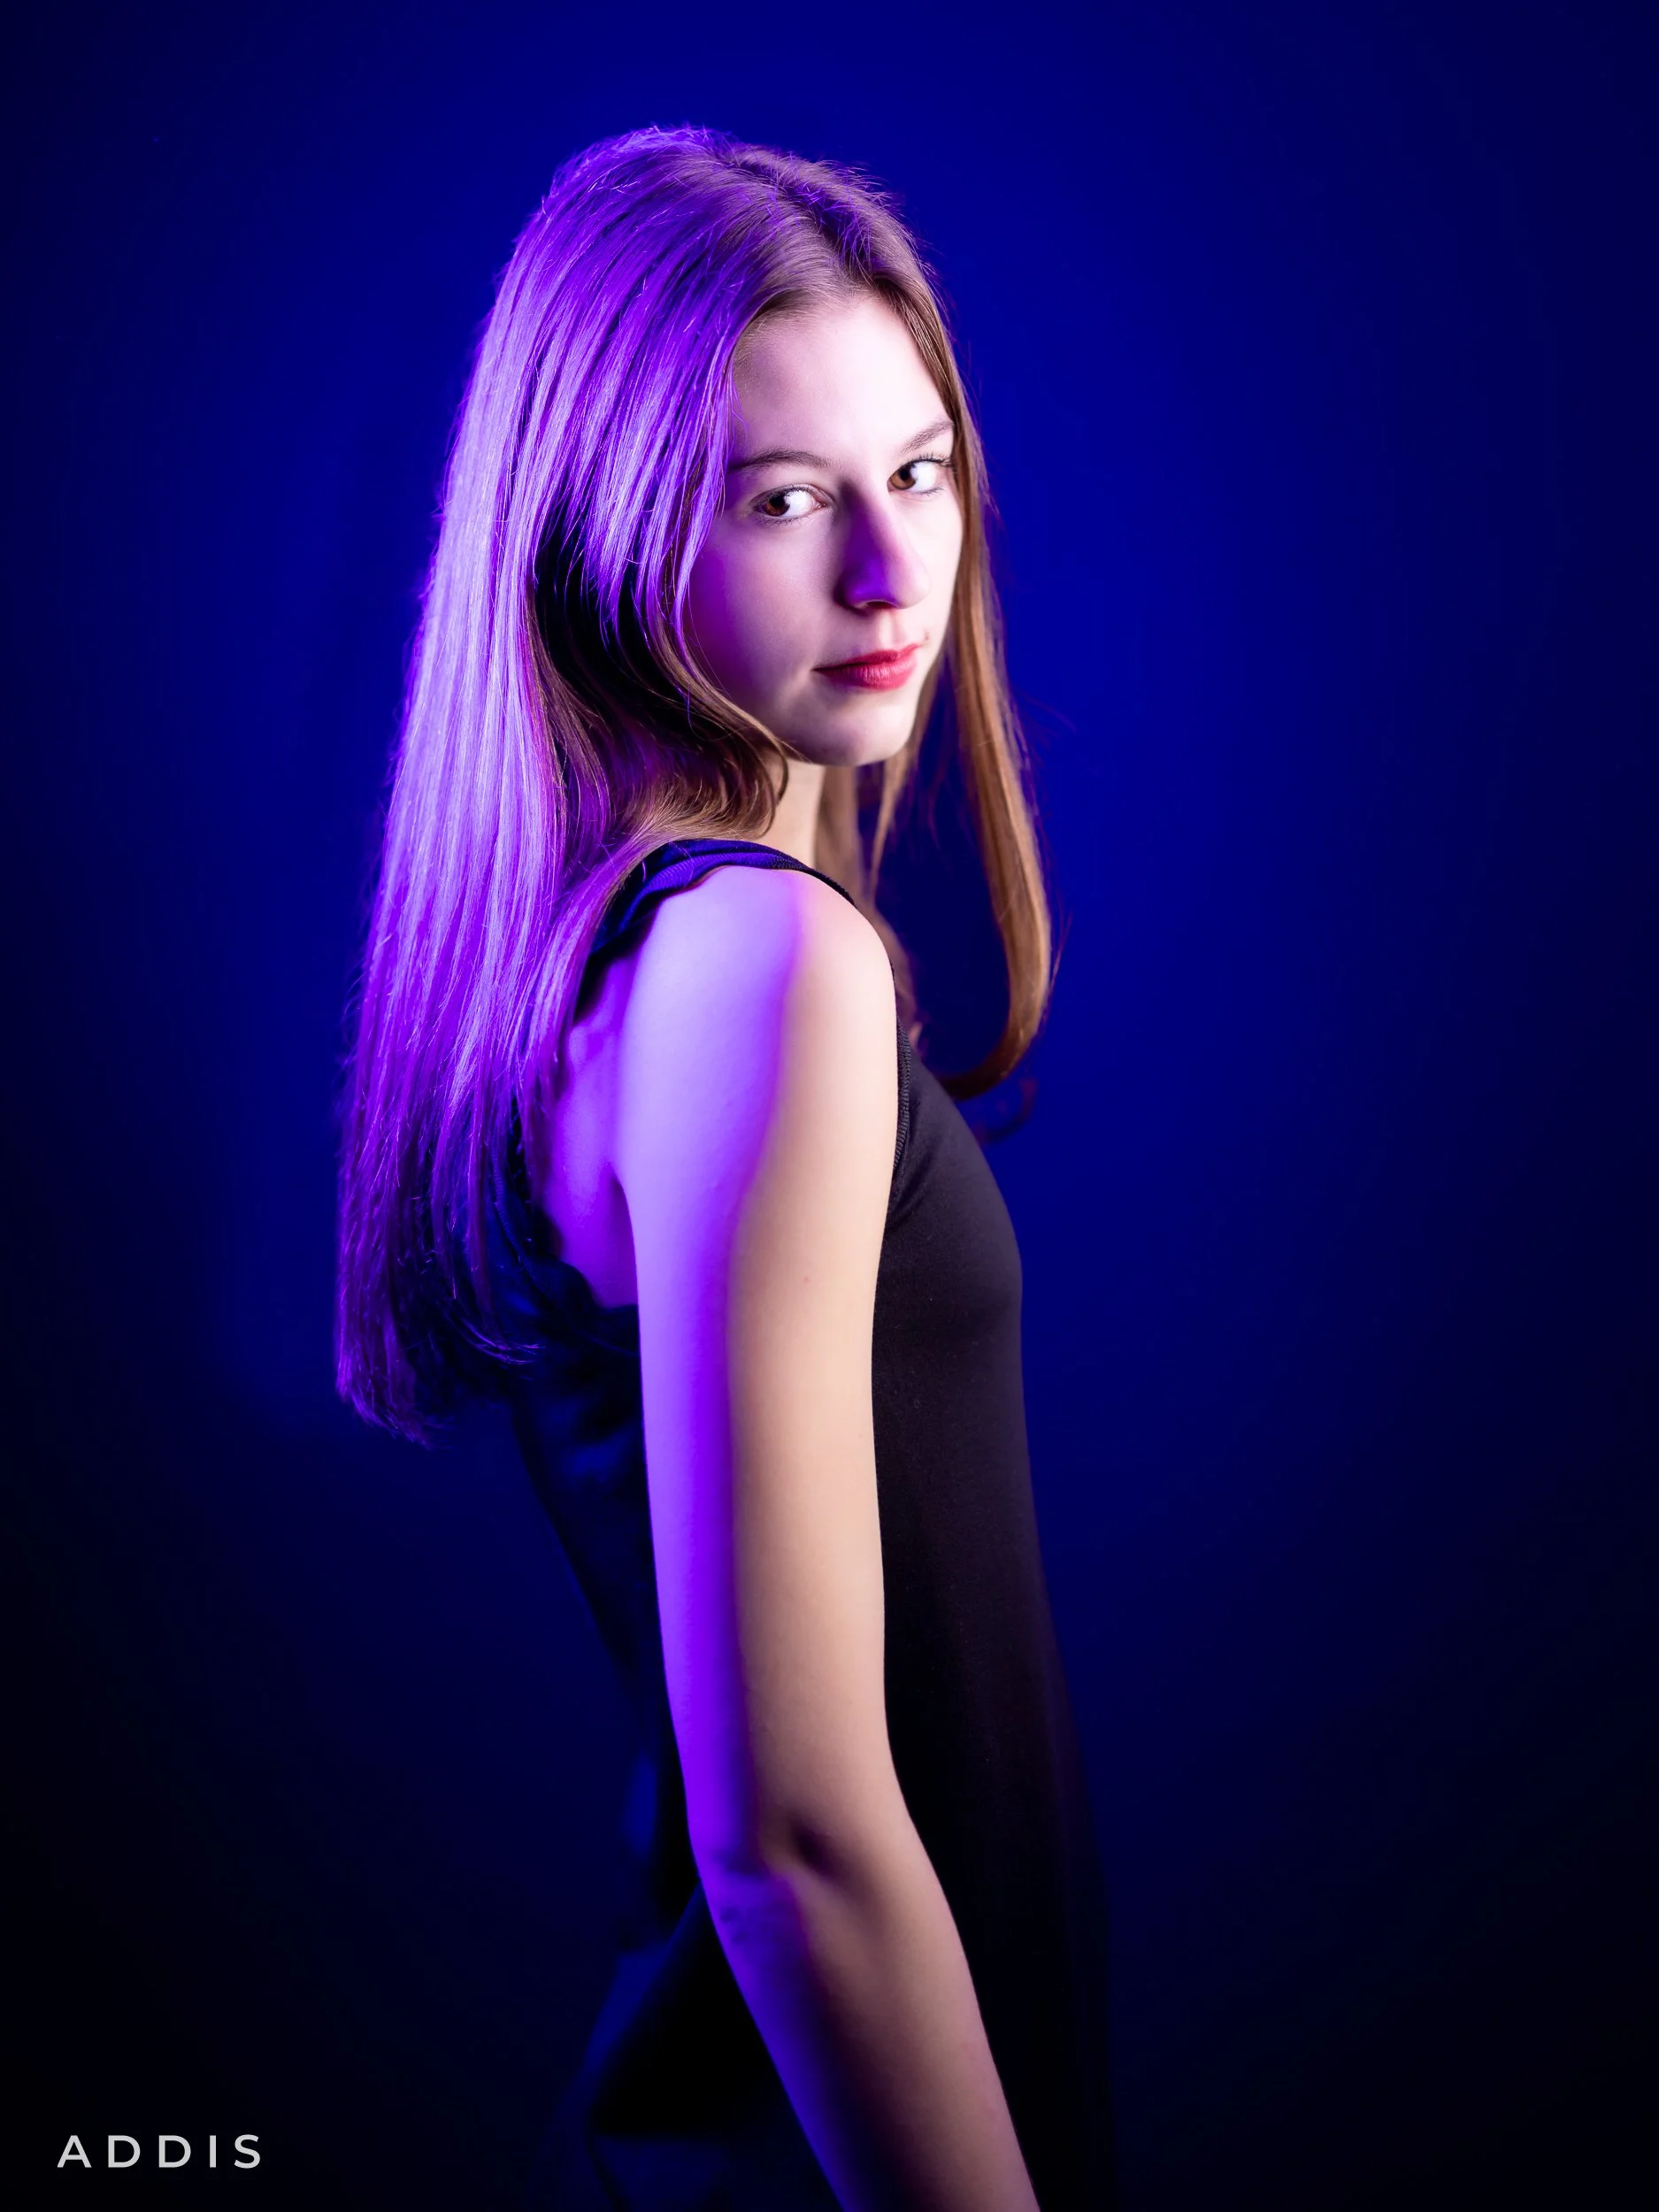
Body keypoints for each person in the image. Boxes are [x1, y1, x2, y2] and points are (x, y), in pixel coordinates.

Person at [335, 126, 1113, 2210]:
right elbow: (796, 1839)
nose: (890, 570)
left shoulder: (635, 952)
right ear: (595, 535)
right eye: (783, 501)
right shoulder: (756, 961)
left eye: (920, 471)